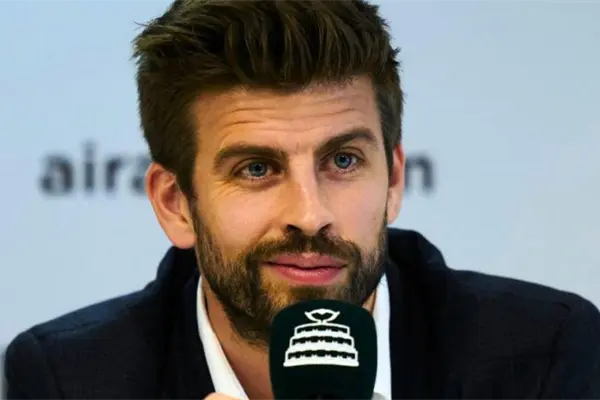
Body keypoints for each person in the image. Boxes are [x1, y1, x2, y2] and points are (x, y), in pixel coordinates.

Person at [4, 0, 600, 399]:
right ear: (175, 202)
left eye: (343, 161)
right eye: (256, 168)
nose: (311, 215)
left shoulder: (541, 354)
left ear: (393, 180)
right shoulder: (69, 380)